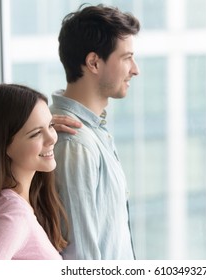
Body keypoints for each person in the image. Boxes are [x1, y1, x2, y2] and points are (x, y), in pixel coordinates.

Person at [50, 4, 140, 260]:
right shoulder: (75, 143)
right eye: (126, 58)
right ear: (93, 62)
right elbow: (81, 258)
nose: (135, 69)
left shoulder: (93, 132)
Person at [0, 83, 69, 260]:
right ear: (4, 146)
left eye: (51, 125)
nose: (52, 138)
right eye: (36, 133)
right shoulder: (15, 214)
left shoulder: (14, 204)